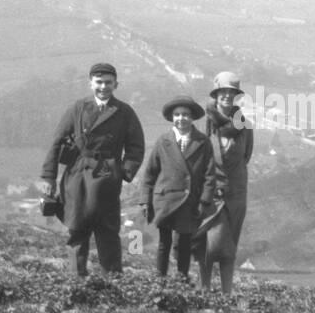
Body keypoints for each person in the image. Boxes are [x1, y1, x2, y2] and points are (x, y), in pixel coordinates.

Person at [39, 63, 145, 275]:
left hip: (107, 178)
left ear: (116, 84)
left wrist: (123, 172)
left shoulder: (124, 112)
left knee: (108, 232)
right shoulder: (77, 108)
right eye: (99, 82)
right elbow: (57, 141)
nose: (103, 87)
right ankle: (76, 283)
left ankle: (112, 284)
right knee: (77, 230)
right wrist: (49, 177)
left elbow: (136, 146)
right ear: (90, 83)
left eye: (108, 82)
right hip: (78, 176)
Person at [139, 96, 214, 282]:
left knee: (185, 243)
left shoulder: (203, 142)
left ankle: (181, 279)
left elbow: (209, 174)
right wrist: (144, 199)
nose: (181, 118)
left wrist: (204, 200)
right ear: (172, 117)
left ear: (193, 118)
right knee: (164, 242)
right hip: (165, 199)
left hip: (189, 200)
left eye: (186, 115)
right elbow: (150, 173)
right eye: (177, 114)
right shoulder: (163, 141)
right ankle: (160, 279)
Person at [196, 71, 254, 294]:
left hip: (236, 194)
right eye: (224, 92)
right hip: (211, 192)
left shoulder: (245, 126)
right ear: (216, 94)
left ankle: (226, 293)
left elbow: (245, 157)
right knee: (210, 244)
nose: (227, 97)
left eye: (232, 93)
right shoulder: (205, 124)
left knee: (230, 247)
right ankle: (205, 290)